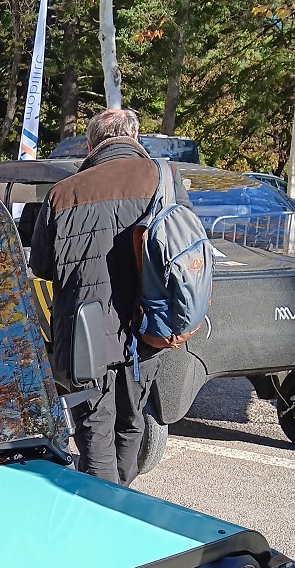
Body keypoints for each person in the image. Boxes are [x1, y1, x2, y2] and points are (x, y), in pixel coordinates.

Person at [30, 108, 186, 486]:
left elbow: (42, 266)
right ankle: (120, 497)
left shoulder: (63, 193)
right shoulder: (164, 179)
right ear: (135, 137)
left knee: (94, 428)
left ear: (90, 145)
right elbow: (183, 249)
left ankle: (104, 504)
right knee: (131, 420)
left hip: (83, 332)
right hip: (145, 326)